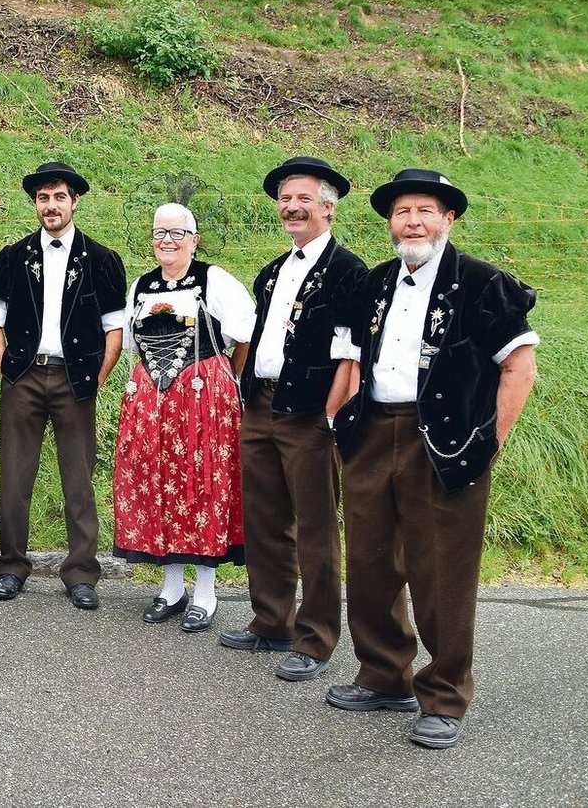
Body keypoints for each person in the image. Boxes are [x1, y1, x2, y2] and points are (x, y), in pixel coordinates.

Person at [327, 169, 538, 750]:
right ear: (390, 223)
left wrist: (486, 443)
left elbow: (519, 368)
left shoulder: (482, 283)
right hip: (373, 431)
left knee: (440, 570)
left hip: (444, 441)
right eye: (401, 212)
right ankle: (382, 675)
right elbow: (350, 362)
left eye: (425, 210)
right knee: (369, 562)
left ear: (448, 218)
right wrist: (338, 420)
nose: (412, 221)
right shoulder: (371, 285)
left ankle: (444, 695)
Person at [219, 157, 366, 681]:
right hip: (260, 405)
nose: (292, 207)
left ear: (327, 207)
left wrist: (331, 416)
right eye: (285, 198)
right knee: (263, 519)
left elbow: (352, 355)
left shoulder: (349, 272)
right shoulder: (273, 271)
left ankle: (316, 637)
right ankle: (271, 621)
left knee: (316, 529)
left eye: (303, 198)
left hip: (309, 414)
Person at [0, 162, 126, 610]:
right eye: (43, 198)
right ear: (35, 204)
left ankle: (82, 573)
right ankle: (11, 568)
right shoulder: (12, 256)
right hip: (23, 376)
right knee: (14, 477)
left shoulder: (102, 260)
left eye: (59, 197)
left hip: (75, 378)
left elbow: (114, 330)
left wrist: (95, 379)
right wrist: (6, 365)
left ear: (74, 201)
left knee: (79, 480)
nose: (51, 205)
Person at [112, 203, 255, 632]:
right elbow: (133, 345)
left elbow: (245, 336)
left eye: (178, 233)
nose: (167, 241)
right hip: (151, 404)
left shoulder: (215, 281)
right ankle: (172, 589)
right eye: (160, 232)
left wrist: (226, 380)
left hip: (203, 401)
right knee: (158, 485)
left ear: (195, 240)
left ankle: (206, 595)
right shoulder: (141, 285)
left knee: (202, 485)